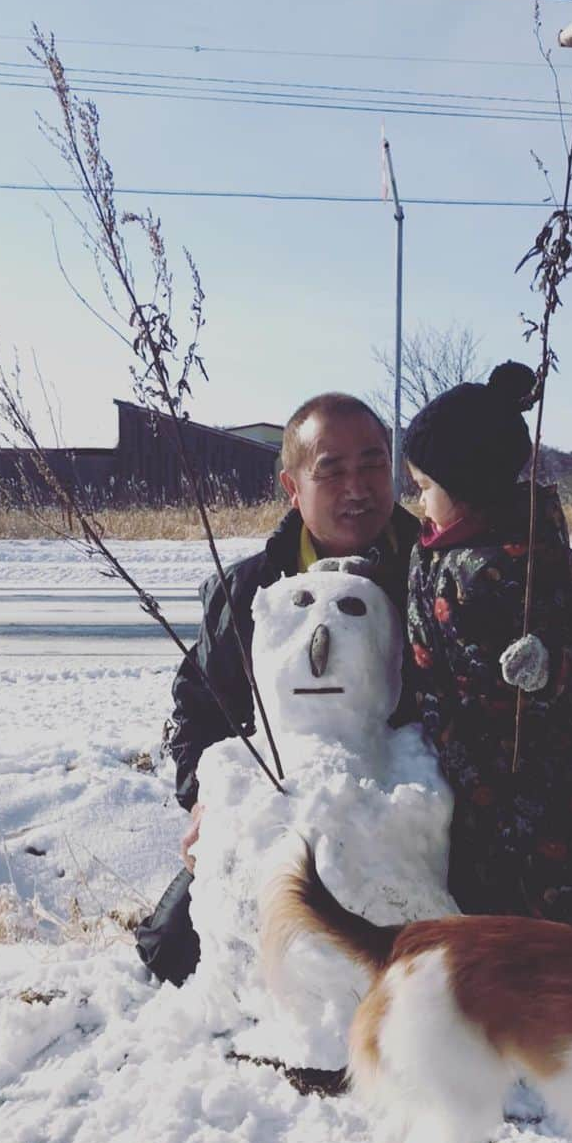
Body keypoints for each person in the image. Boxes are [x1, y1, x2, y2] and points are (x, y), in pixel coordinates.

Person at [135, 392, 420, 984]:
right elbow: (197, 712)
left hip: (400, 815)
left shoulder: (433, 575)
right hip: (281, 812)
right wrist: (206, 802)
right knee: (173, 953)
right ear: (293, 488)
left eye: (371, 463)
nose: (357, 487)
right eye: (331, 470)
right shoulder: (249, 592)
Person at [403, 361, 572, 939]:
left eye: (427, 488)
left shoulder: (525, 552)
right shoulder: (431, 550)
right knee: (481, 902)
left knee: (557, 898)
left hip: (537, 773)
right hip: (464, 766)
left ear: (469, 489)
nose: (417, 500)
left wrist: (546, 658)